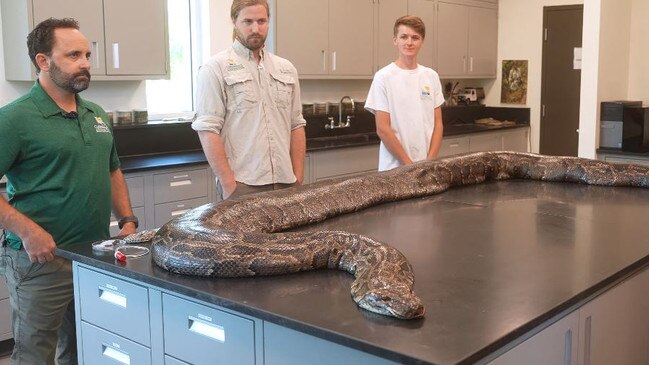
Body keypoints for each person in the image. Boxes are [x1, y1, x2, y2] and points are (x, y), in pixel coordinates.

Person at [0, 18, 137, 364]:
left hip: (93, 255)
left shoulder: (96, 114)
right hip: (39, 260)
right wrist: (29, 233)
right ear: (43, 61)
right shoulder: (14, 119)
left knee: (84, 346)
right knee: (35, 354)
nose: (86, 63)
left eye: (88, 54)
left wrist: (127, 219)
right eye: (74, 55)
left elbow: (112, 169)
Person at [192, 0, 306, 201]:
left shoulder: (286, 68)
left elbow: (296, 124)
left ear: (269, 21)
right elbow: (207, 130)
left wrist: (298, 177)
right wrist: (229, 186)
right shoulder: (215, 68)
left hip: (286, 183)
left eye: (261, 21)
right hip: (243, 185)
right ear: (234, 21)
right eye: (248, 21)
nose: (255, 28)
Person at [365, 16, 445, 171]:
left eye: (415, 37)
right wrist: (410, 167)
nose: (409, 42)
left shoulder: (431, 76)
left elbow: (438, 124)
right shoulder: (383, 77)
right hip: (394, 168)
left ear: (422, 41)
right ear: (395, 40)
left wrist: (429, 162)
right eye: (404, 37)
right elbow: (382, 128)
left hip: (426, 167)